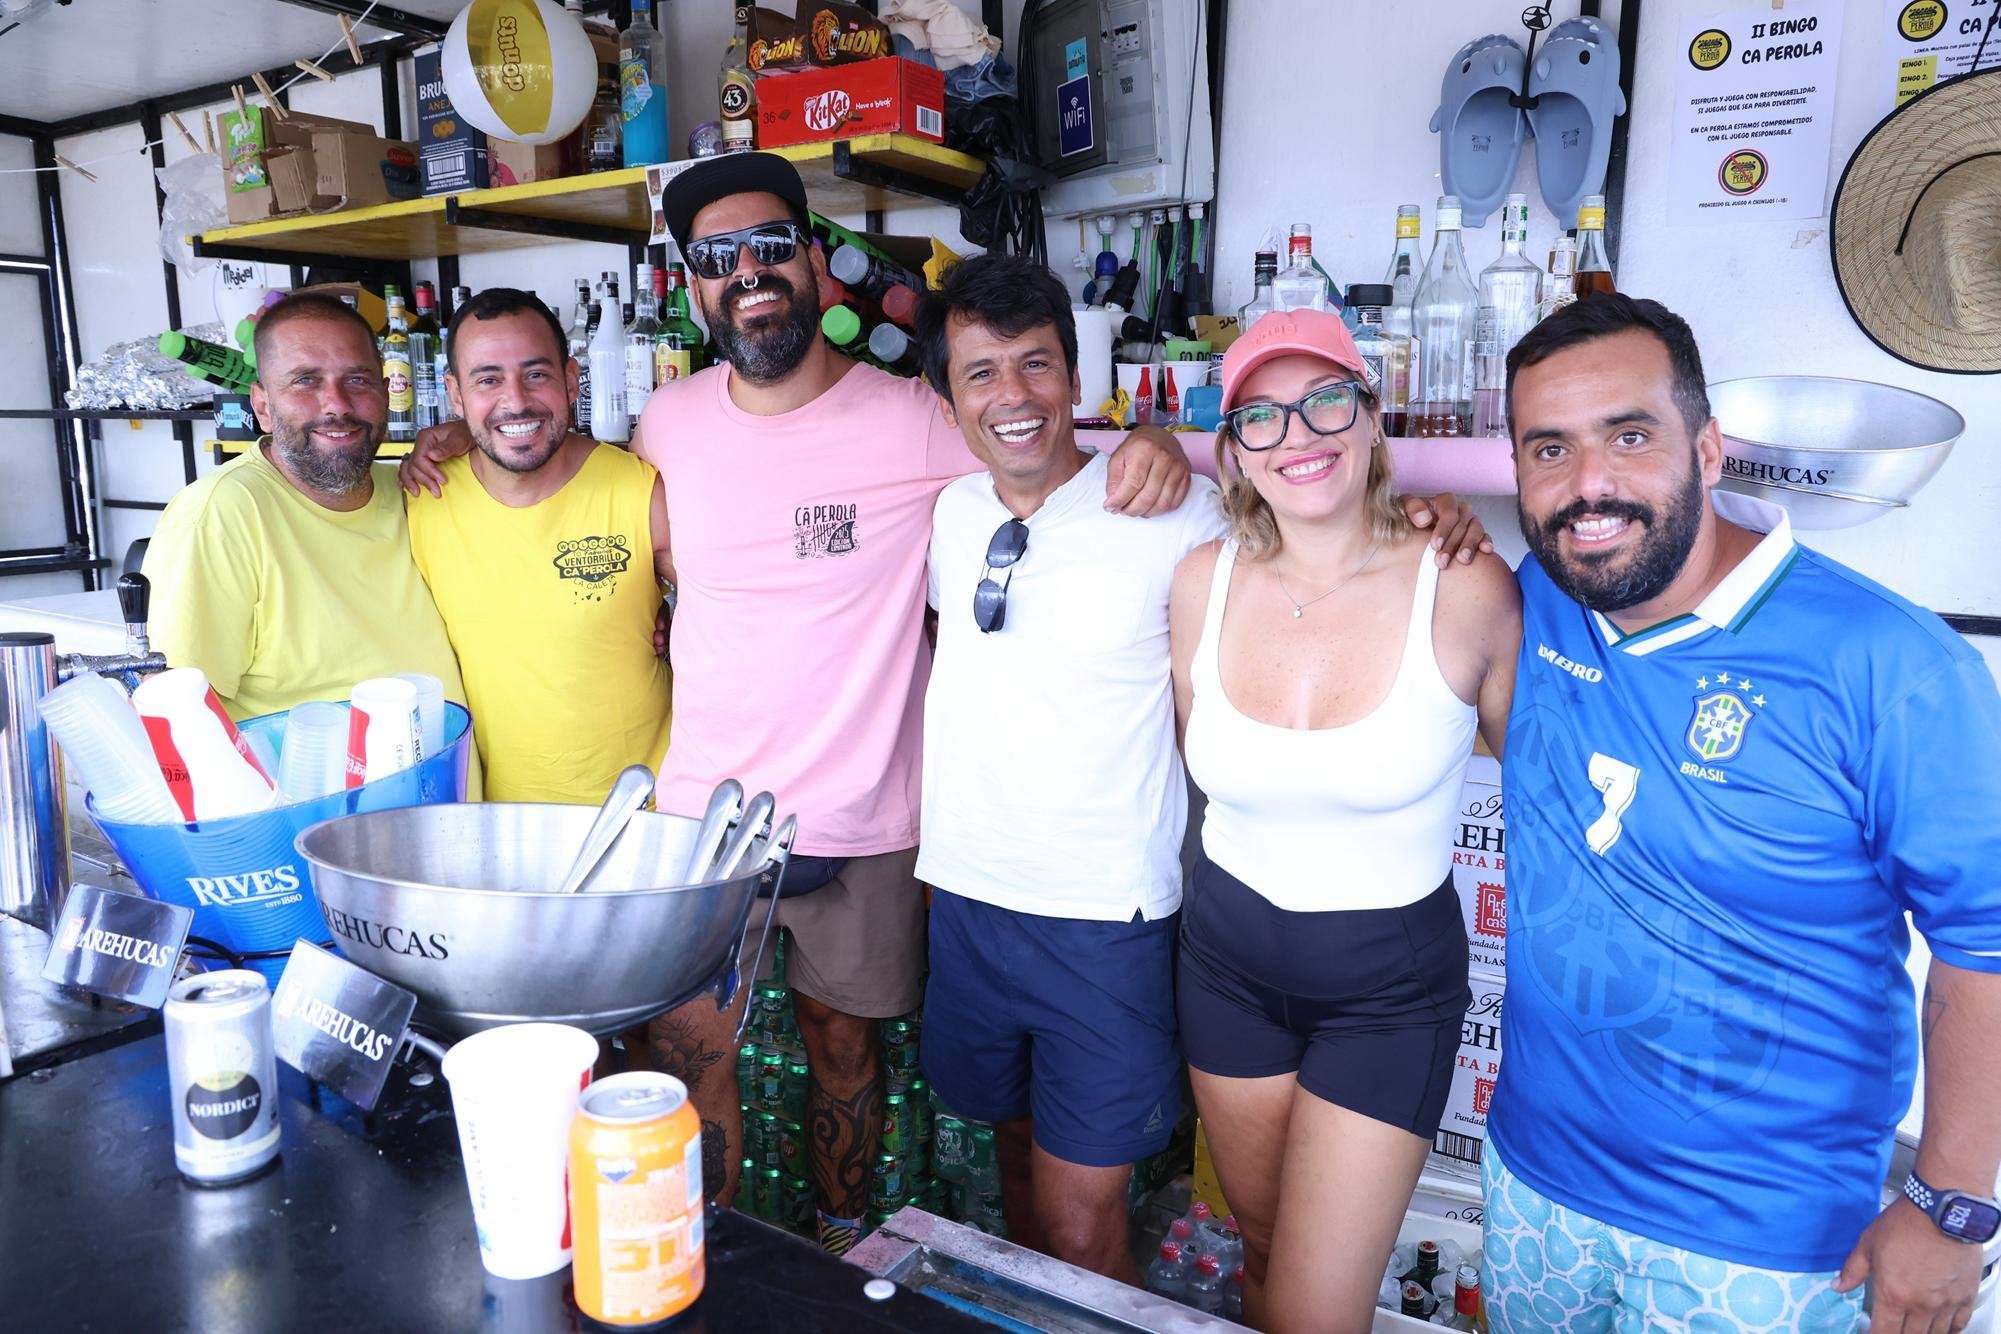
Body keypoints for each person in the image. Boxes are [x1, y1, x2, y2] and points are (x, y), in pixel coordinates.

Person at [397, 152, 1198, 1254]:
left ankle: (834, 1247)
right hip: (704, 817)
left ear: (816, 264)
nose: (750, 274)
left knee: (845, 1052)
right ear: (693, 288)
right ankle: (709, 1260)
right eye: (718, 260)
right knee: (691, 1054)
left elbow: (1040, 450)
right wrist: (445, 437)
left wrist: (1151, 441)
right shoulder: (665, 427)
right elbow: (557, 478)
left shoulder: (918, 418)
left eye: (772, 246)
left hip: (867, 817)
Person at [913, 259, 1493, 1284]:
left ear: (1076, 376)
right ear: (949, 396)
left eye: (1038, 364)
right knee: (1011, 1173)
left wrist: (1434, 510)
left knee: (1084, 1216)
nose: (1013, 396)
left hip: (1109, 918)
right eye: (981, 373)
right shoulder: (952, 513)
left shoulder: (1180, 522)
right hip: (965, 899)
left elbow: (1313, 521)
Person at [1488, 293, 2001, 1332]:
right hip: (1532, 1184)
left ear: (1709, 448)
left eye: (1629, 436)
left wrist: (1951, 1206)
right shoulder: (1530, 599)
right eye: (1549, 449)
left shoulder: (1890, 663)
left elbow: (1985, 937)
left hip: (1763, 1241)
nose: (1590, 485)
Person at [1166, 308, 1519, 1331]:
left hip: (1387, 994)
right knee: (1265, 1249)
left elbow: (1548, 788)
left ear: (1371, 418)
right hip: (1224, 967)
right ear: (1232, 451)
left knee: (1319, 1308)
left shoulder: (1462, 582)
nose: (1299, 435)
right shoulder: (1201, 582)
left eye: (1326, 400)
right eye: (1262, 417)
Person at [145, 293, 468, 724]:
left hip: (451, 786)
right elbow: (177, 717)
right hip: (321, 794)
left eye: (358, 380)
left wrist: (470, 434)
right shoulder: (220, 514)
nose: (336, 405)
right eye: (305, 381)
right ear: (262, 405)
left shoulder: (416, 490)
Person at [405, 287, 671, 803]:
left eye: (537, 374)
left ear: (572, 379)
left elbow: (735, 614)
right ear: (455, 395)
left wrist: (684, 624)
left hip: (646, 818)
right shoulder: (422, 497)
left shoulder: (640, 491)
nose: (516, 400)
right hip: (497, 828)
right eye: (488, 380)